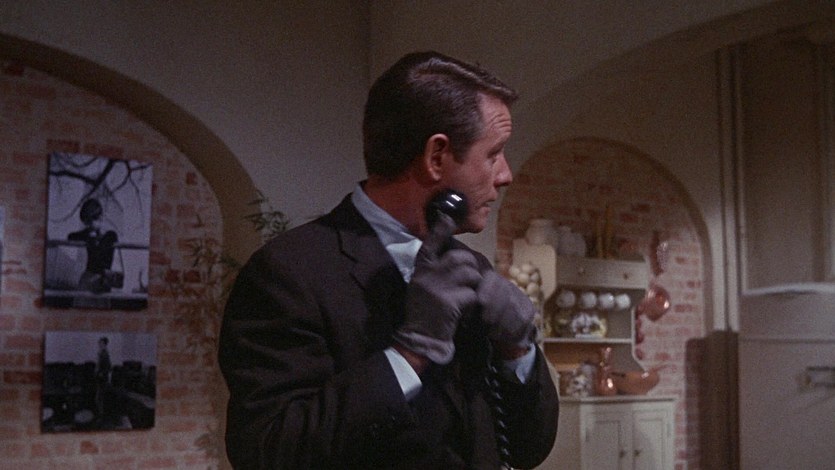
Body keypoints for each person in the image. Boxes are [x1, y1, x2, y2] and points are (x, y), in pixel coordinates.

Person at [219, 51, 559, 469]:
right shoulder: (288, 273)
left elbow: (528, 448)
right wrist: (409, 354)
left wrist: (517, 352)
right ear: (436, 157)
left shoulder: (470, 269)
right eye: (494, 154)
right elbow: (267, 452)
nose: (505, 175)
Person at [68, 198, 120, 293]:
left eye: (89, 222)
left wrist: (92, 238)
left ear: (100, 217)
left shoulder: (111, 235)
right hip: (89, 276)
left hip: (103, 278)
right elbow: (71, 237)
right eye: (86, 223)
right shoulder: (88, 233)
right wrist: (88, 235)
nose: (87, 226)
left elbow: (102, 258)